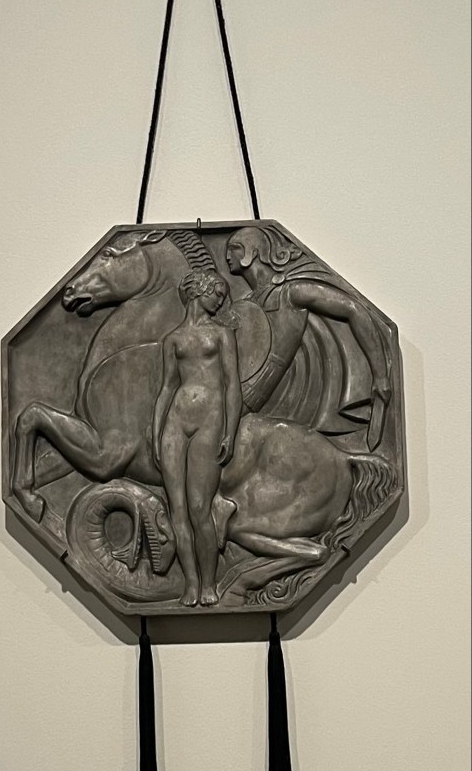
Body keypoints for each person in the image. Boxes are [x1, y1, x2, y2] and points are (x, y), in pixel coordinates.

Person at [225, 227, 391, 448]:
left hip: (256, 394)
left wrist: (381, 375)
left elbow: (353, 309)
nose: (227, 255)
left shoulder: (290, 293)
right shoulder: (248, 302)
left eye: (234, 248)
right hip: (242, 389)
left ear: (252, 252)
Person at [152, 269, 242, 606]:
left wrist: (230, 430)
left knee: (200, 508)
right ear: (198, 291)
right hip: (176, 422)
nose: (220, 301)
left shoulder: (221, 335)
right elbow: (166, 388)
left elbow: (232, 386)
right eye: (216, 293)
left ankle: (209, 583)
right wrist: (155, 430)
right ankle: (190, 584)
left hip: (209, 421)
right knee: (177, 510)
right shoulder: (172, 339)